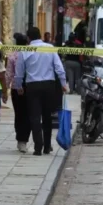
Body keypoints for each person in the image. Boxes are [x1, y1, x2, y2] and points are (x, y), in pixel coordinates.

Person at [13, 27, 69, 156]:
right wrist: (63, 84)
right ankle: (47, 146)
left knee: (35, 116)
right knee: (47, 116)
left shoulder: (25, 50)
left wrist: (18, 86)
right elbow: (59, 68)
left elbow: (19, 72)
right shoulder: (50, 48)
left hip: (32, 86)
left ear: (28, 38)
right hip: (49, 85)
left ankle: (38, 147)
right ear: (40, 35)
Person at [7, 33, 30, 152]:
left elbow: (9, 74)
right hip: (29, 86)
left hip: (16, 88)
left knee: (19, 114)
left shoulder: (12, 56)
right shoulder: (31, 54)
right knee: (28, 114)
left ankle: (20, 139)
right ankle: (23, 140)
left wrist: (5, 89)